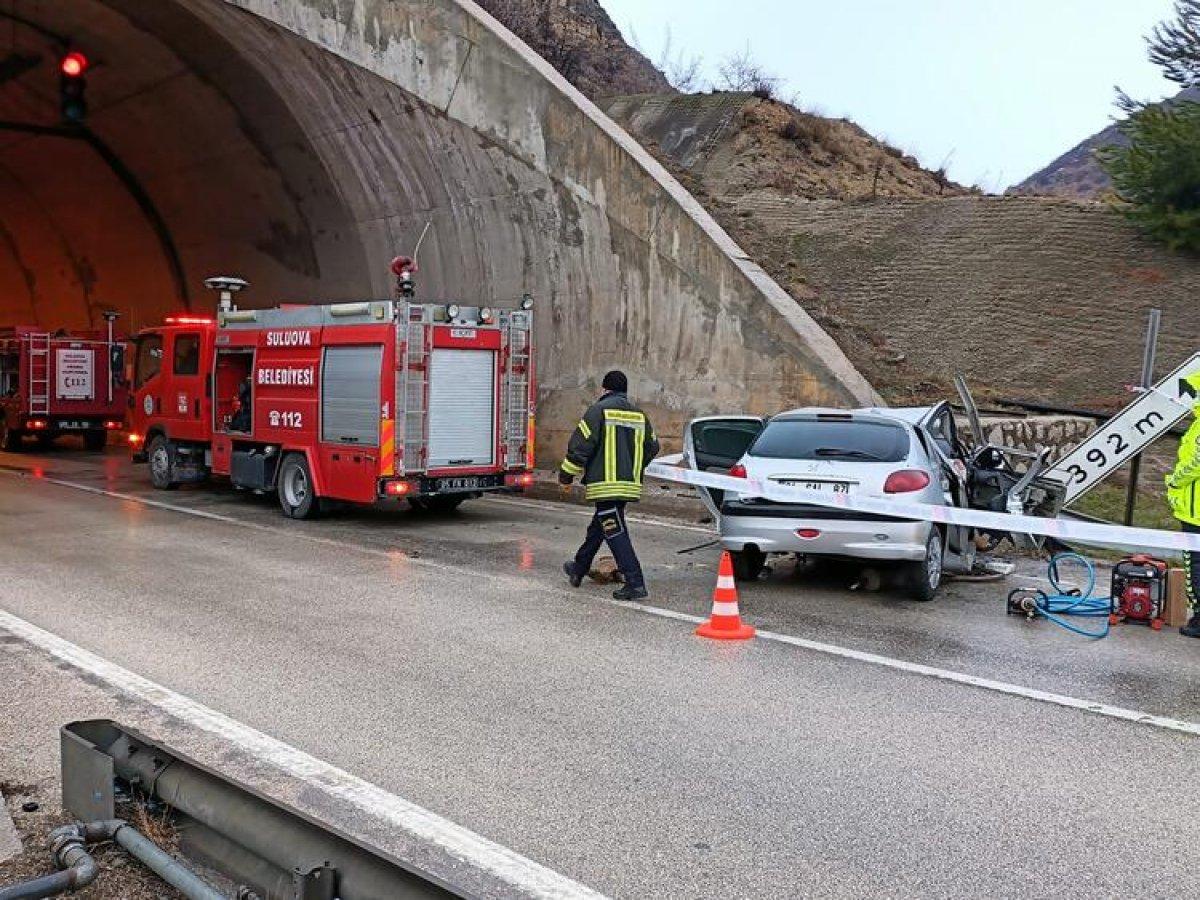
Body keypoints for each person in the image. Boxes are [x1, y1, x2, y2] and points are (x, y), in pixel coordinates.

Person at [560, 370, 660, 601]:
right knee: (600, 526)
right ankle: (579, 567)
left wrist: (566, 475)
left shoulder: (598, 411)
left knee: (614, 532)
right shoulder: (639, 414)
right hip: (627, 485)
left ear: (605, 389)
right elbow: (653, 447)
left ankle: (635, 582)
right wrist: (634, 466)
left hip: (606, 485)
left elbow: (580, 447)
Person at [1167, 372, 1200, 638]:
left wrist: (1175, 481)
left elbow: (1196, 462)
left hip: (1195, 510)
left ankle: (1199, 619)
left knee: (1195, 564)